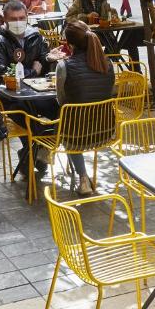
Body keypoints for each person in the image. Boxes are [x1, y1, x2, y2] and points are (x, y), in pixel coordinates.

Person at [54, 20, 116, 195]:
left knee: (62, 119)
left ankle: (82, 178)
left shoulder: (64, 66)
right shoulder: (108, 64)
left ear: (68, 44)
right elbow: (109, 92)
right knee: (70, 119)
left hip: (78, 135)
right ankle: (43, 154)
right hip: (106, 130)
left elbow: (61, 99)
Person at [0, 0, 51, 78]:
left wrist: (48, 58)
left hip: (35, 86)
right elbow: (1, 72)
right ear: (5, 19)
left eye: (21, 18)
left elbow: (43, 66)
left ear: (27, 16)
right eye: (13, 19)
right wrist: (32, 72)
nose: (18, 22)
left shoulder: (36, 37)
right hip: (9, 88)